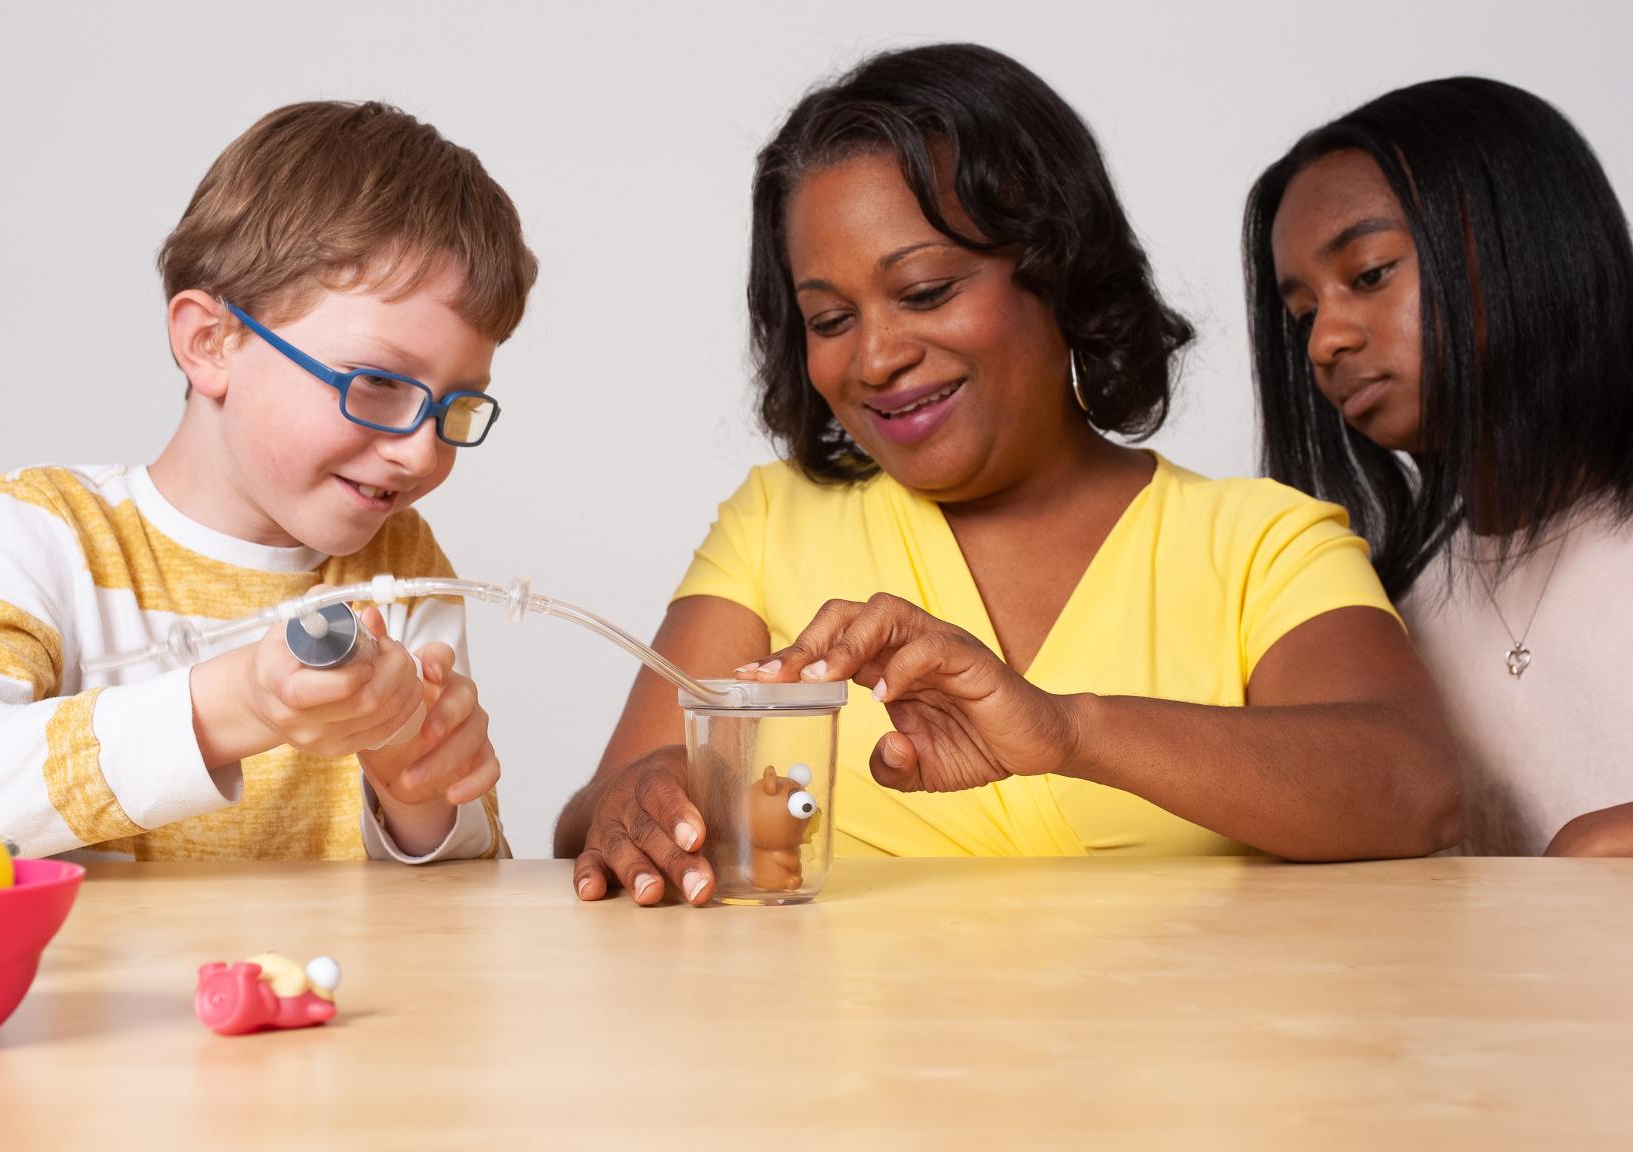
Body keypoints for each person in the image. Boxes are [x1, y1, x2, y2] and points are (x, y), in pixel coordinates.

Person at [557, 44, 1460, 905]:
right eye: (829, 319)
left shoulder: (1262, 541)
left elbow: (1417, 786)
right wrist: (647, 796)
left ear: (1056, 271)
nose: (874, 358)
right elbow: (593, 816)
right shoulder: (773, 524)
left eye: (925, 292)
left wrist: (1069, 732)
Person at [0, 101, 534, 862]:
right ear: (210, 342)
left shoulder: (400, 574)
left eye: (455, 406)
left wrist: (421, 799)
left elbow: (471, 900)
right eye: (375, 382)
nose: (419, 453)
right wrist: (228, 707)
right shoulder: (50, 533)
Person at [1247, 77, 1633, 856]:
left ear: (1519, 239)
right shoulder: (1385, 609)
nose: (1326, 341)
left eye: (1369, 274)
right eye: (1303, 314)